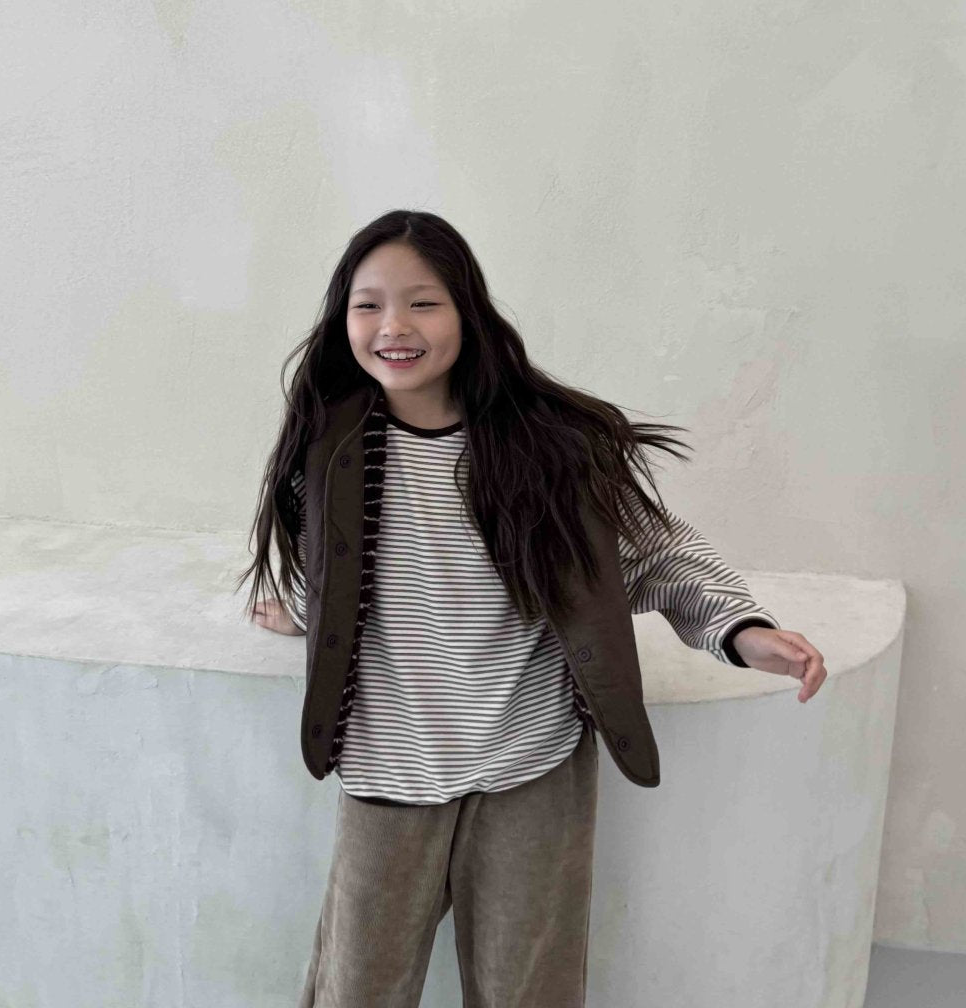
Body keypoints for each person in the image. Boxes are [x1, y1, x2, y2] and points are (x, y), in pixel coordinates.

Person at [236, 209, 827, 1008]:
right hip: (391, 773)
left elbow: (655, 552)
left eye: (423, 303)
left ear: (468, 314)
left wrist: (743, 630)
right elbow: (350, 577)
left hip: (531, 770)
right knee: (355, 991)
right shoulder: (328, 449)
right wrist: (304, 614)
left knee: (531, 993)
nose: (394, 326)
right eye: (368, 305)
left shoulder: (547, 447)